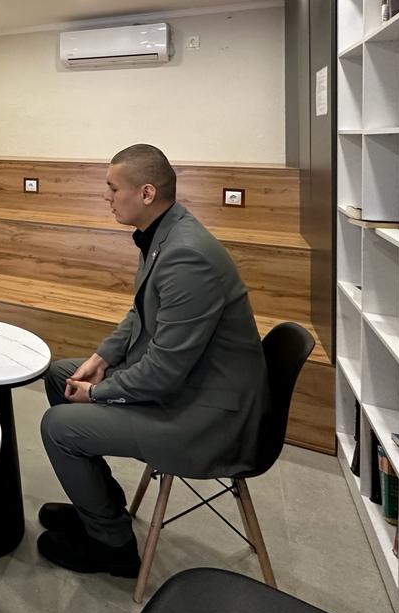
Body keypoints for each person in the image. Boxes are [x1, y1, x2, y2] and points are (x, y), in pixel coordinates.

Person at [37, 143, 267, 577]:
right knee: (59, 376)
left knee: (58, 427)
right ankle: (101, 508)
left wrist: (98, 393)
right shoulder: (163, 234)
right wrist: (101, 358)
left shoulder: (187, 255)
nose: (106, 197)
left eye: (113, 188)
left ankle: (112, 546)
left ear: (146, 193)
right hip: (190, 387)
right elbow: (141, 313)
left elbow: (163, 372)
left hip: (205, 417)